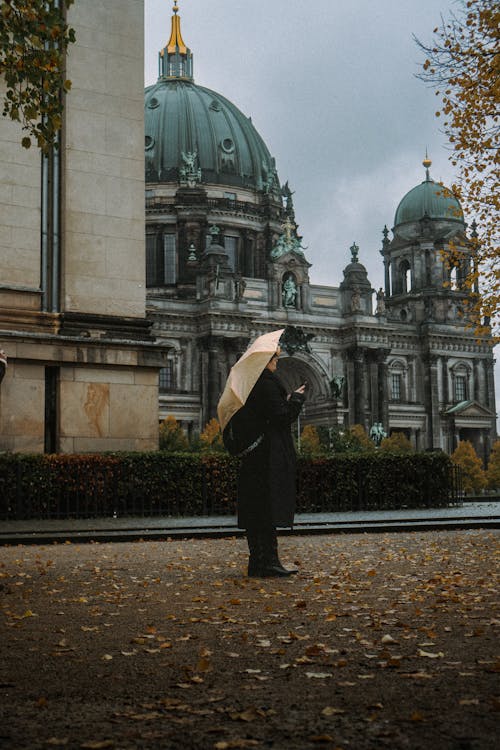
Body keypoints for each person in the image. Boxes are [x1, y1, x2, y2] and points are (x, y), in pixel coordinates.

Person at [237, 346, 306, 577]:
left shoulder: (253, 382)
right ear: (267, 360)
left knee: (257, 509)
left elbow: (268, 413)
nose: (277, 360)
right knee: (267, 509)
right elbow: (281, 417)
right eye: (275, 357)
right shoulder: (266, 382)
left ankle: (258, 561)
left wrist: (283, 401)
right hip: (268, 456)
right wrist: (296, 399)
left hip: (255, 456)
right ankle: (269, 562)